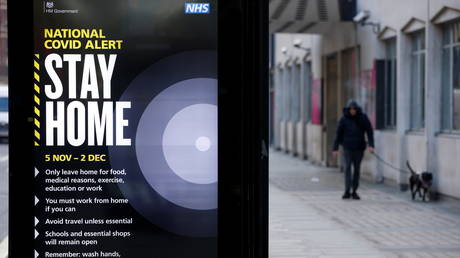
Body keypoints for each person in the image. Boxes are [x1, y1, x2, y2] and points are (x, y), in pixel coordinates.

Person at [332, 100, 374, 200]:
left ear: (357, 109)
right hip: (347, 148)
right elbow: (338, 134)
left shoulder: (362, 118)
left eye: (354, 109)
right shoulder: (343, 119)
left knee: (357, 169)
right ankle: (347, 191)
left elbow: (369, 131)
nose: (352, 111)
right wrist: (335, 148)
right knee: (347, 169)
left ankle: (354, 190)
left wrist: (371, 145)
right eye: (350, 109)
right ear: (348, 109)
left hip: (359, 148)